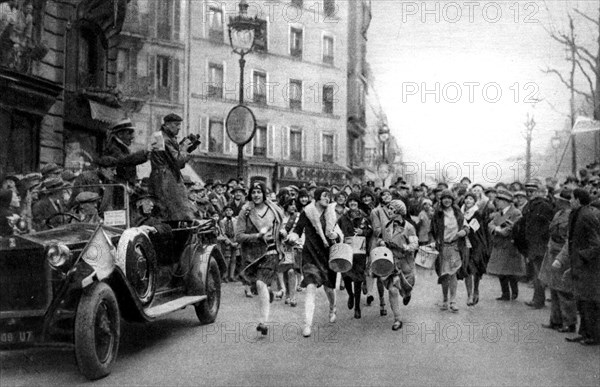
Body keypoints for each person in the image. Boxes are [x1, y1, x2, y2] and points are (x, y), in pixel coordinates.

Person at [288, 187, 341, 337]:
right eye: (324, 196)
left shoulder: (332, 212)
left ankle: (333, 307)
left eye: (329, 196)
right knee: (310, 286)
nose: (327, 198)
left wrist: (334, 234)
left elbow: (338, 234)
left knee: (329, 288)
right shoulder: (307, 212)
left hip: (328, 254)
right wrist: (293, 236)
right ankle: (307, 325)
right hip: (310, 254)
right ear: (317, 198)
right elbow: (298, 229)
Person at [235, 182, 286, 336]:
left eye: (259, 192)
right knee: (258, 286)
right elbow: (238, 236)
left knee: (260, 282)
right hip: (252, 255)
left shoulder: (274, 210)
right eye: (254, 192)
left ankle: (263, 322)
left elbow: (281, 226)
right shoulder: (245, 211)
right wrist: (257, 236)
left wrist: (282, 234)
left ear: (264, 194)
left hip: (272, 251)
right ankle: (269, 292)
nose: (256, 195)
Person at [562, 188, 600, 346]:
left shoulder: (587, 216)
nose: (569, 201)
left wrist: (582, 257)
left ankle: (593, 336)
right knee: (582, 300)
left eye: (571, 198)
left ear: (578, 200)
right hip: (581, 265)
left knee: (588, 302)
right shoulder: (578, 213)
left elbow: (596, 244)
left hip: (589, 267)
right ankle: (584, 333)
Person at [538, 189, 576, 333]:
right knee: (554, 288)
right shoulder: (558, 214)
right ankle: (555, 320)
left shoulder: (570, 216)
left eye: (559, 199)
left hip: (562, 255)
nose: (556, 201)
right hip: (552, 251)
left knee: (564, 290)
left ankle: (569, 322)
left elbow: (567, 239)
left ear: (564, 202)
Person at [377, 199, 418, 330]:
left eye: (391, 209)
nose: (388, 211)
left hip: (405, 263)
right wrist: (381, 243)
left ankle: (407, 293)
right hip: (391, 262)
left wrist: (406, 247)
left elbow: (414, 244)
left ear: (398, 211)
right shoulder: (386, 226)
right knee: (393, 290)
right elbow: (380, 238)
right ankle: (397, 319)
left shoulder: (409, 227)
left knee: (406, 287)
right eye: (388, 208)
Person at [149, 114, 195, 220]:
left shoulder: (160, 136)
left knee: (168, 211)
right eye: (176, 124)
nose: (179, 127)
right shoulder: (165, 139)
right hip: (166, 178)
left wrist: (183, 149)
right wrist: (183, 149)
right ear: (167, 125)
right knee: (176, 212)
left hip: (161, 176)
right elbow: (178, 162)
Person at [431, 190, 469, 312]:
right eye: (444, 198)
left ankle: (453, 301)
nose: (447, 200)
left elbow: (466, 226)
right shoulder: (438, 214)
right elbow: (432, 230)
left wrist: (464, 231)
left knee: (453, 274)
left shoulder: (458, 213)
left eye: (449, 198)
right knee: (444, 274)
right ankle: (445, 299)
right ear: (441, 200)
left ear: (453, 200)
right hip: (442, 247)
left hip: (455, 247)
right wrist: (434, 241)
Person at [520, 184, 555, 309]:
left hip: (540, 244)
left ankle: (539, 300)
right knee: (536, 272)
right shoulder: (531, 205)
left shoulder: (544, 206)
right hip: (533, 243)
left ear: (540, 192)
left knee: (539, 273)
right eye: (528, 191)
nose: (529, 194)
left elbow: (548, 225)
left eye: (532, 191)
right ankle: (537, 298)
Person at [337, 193, 372, 319]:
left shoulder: (364, 218)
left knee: (358, 280)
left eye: (355, 201)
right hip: (346, 251)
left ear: (358, 204)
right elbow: (337, 231)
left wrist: (363, 232)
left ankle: (357, 307)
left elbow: (370, 231)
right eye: (350, 201)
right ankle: (350, 295)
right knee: (346, 276)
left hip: (360, 253)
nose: (352, 203)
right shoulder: (343, 218)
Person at [486, 190, 525, 301]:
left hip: (510, 245)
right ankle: (505, 293)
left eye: (500, 200)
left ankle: (514, 292)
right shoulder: (499, 213)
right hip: (500, 244)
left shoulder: (515, 212)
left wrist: (499, 230)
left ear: (506, 202)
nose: (497, 202)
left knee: (511, 271)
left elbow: (513, 227)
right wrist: (496, 229)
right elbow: (491, 224)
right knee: (501, 271)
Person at [461, 191, 490, 306]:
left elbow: (478, 230)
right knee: (467, 269)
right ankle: (469, 295)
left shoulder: (477, 213)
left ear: (474, 201)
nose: (468, 201)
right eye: (466, 198)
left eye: (471, 199)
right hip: (465, 243)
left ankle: (476, 290)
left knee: (476, 269)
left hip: (476, 244)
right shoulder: (461, 213)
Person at [103, 118, 148, 186]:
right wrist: (145, 153)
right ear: (120, 134)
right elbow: (124, 160)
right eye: (129, 133)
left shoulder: (122, 148)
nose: (132, 137)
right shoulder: (113, 148)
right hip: (117, 189)